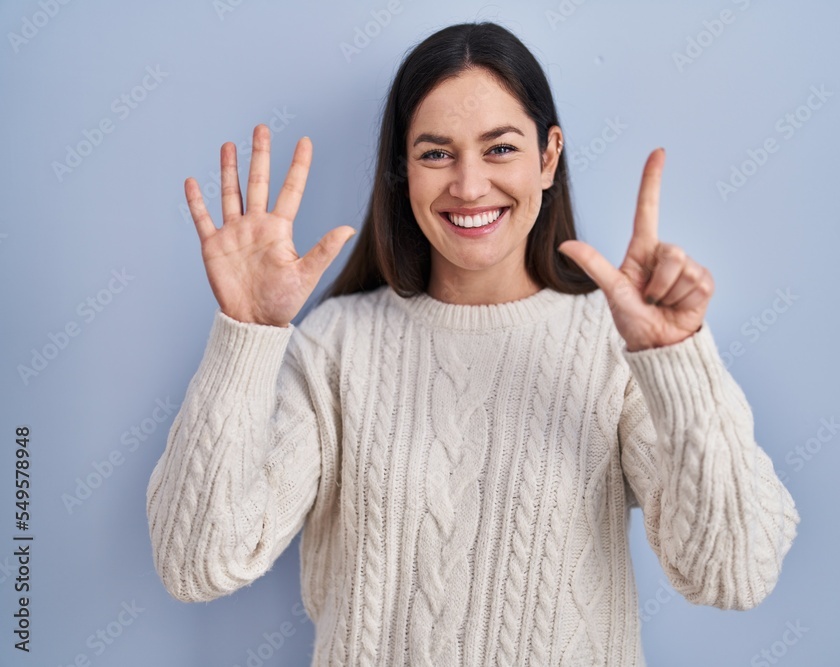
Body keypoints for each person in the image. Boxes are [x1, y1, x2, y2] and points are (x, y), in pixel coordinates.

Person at [146, 20, 799, 667]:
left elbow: (734, 572)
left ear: (548, 158)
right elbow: (197, 562)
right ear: (403, 170)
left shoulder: (613, 345)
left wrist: (677, 360)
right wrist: (248, 335)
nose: (468, 184)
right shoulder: (336, 346)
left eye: (500, 148)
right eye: (435, 153)